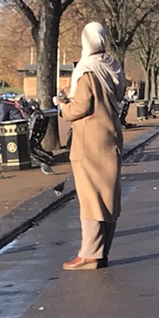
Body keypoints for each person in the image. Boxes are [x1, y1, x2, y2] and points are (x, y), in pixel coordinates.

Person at [57, 20, 125, 270]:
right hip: (111, 135)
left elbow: (81, 107)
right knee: (108, 194)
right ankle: (103, 250)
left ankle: (89, 254)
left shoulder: (86, 69)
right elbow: (114, 95)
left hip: (89, 140)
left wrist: (63, 106)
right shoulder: (113, 66)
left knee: (90, 196)